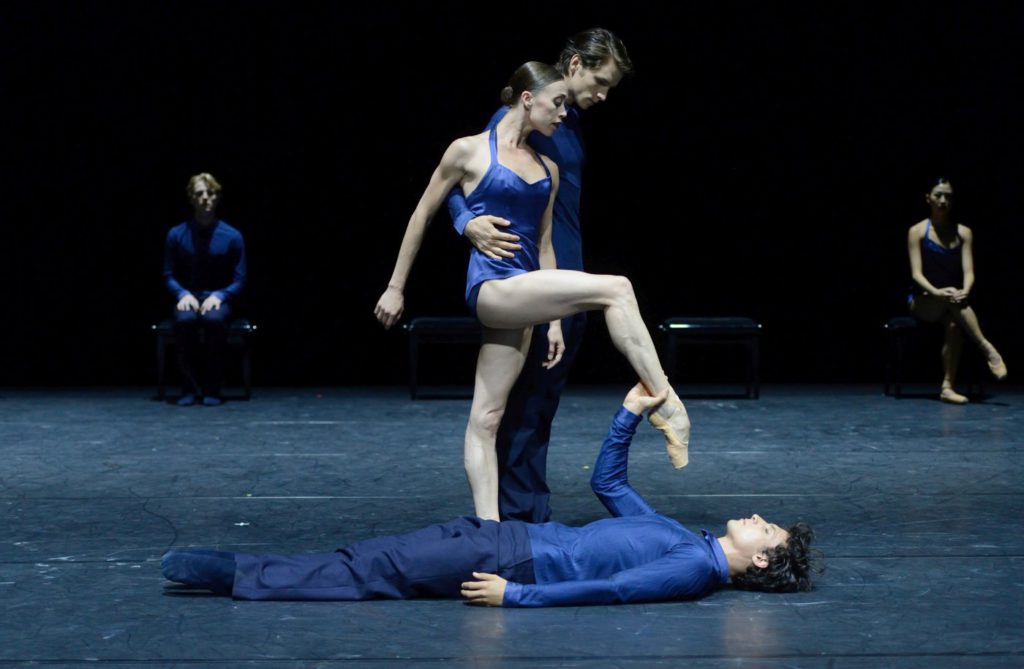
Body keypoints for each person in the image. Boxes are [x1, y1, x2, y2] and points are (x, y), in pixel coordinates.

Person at [373, 62, 691, 522]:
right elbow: (422, 214)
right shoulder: (468, 150)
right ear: (528, 98)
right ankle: (666, 404)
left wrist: (555, 320)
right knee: (617, 289)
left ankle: (490, 531)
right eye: (556, 103)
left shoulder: (548, 169)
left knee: (485, 419)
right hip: (493, 287)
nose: (563, 114)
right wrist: (395, 287)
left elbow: (544, 248)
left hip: (525, 296)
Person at [161, 384, 819, 605]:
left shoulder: (694, 568)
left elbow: (612, 591)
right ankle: (253, 571)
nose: (758, 518)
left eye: (768, 529)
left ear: (759, 559)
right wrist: (627, 414)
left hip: (513, 564)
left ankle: (237, 574)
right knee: (379, 557)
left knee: (378, 572)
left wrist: (518, 596)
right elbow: (608, 484)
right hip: (508, 535)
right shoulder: (688, 536)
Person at [445, 28, 633, 523]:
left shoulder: (564, 125)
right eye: (599, 80)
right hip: (528, 273)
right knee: (524, 398)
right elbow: (458, 175)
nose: (602, 94)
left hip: (563, 265)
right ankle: (520, 515)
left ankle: (526, 509)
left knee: (542, 396)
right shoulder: (531, 115)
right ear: (573, 65)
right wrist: (467, 222)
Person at [907, 178, 1007, 404]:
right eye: (938, 195)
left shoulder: (963, 233)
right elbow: (916, 274)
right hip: (923, 301)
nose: (943, 200)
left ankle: (947, 387)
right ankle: (988, 349)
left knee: (954, 325)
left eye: (948, 196)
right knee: (951, 297)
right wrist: (936, 292)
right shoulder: (917, 232)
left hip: (952, 300)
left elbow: (969, 272)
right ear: (928, 199)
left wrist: (966, 290)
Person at [163, 172, 247, 406]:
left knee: (214, 320)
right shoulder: (176, 234)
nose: (205, 198)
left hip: (218, 296)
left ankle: (212, 388)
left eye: (210, 193)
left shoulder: (232, 236)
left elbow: (240, 279)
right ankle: (189, 388)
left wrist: (220, 295)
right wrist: (182, 293)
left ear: (217, 197)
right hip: (189, 295)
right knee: (185, 321)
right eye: (199, 194)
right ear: (191, 198)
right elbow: (168, 274)